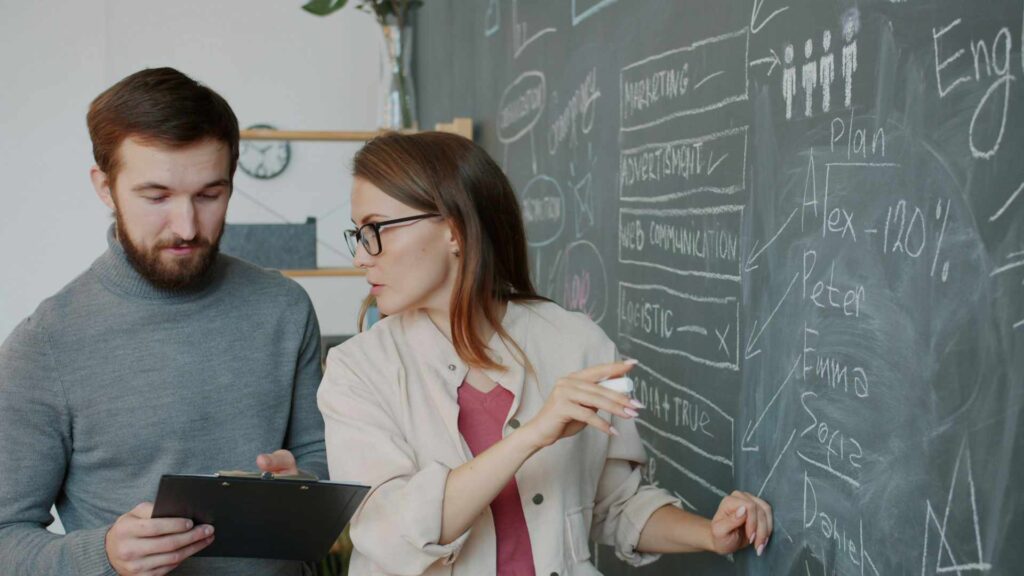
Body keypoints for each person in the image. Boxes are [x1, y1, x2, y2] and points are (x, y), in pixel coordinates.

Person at [317, 132, 773, 575]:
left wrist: (710, 534)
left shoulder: (576, 342)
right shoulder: (356, 370)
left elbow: (614, 505)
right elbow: (388, 533)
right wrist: (533, 435)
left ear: (453, 231)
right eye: (357, 234)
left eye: (375, 230)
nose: (361, 256)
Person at [0, 67, 326, 576]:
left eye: (209, 194)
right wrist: (104, 554)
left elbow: (325, 464)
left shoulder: (283, 307)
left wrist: (305, 486)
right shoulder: (44, 345)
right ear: (105, 188)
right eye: (156, 197)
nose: (187, 226)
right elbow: (5, 536)